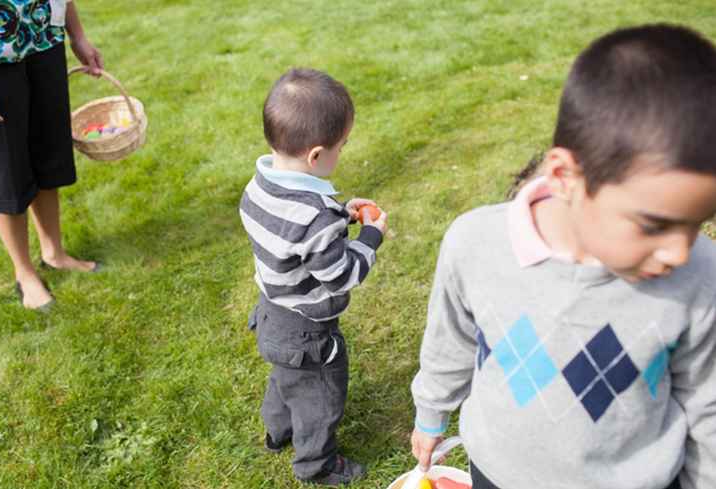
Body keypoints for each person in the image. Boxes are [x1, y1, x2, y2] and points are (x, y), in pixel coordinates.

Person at [410, 24, 716, 489]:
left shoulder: (700, 274)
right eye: (654, 225)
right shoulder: (475, 244)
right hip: (497, 473)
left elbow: (707, 402)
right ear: (565, 176)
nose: (679, 250)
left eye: (697, 222)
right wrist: (431, 412)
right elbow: (449, 339)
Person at [240, 68, 388, 486]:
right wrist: (371, 237)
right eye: (342, 146)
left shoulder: (258, 186)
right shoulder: (315, 219)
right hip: (309, 331)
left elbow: (294, 233)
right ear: (317, 155)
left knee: (285, 379)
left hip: (272, 314)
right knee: (320, 394)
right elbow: (340, 275)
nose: (342, 152)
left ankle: (277, 433)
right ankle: (316, 464)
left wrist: (341, 214)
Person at [0, 0, 103, 311]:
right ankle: (24, 273)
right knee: (7, 170)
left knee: (49, 154)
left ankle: (54, 253)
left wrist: (76, 34)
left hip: (43, 39)